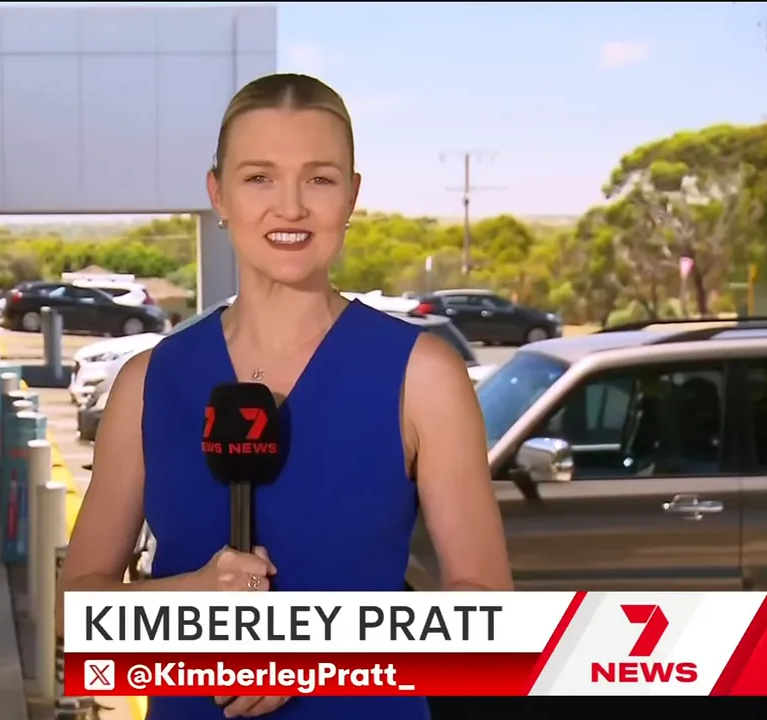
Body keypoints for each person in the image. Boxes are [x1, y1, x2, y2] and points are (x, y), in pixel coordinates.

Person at [59, 72, 513, 719]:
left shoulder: (422, 376)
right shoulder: (148, 383)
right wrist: (190, 601)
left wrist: (314, 650)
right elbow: (75, 614)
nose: (291, 207)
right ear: (218, 194)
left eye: (320, 178)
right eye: (259, 177)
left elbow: (487, 615)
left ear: (352, 196)